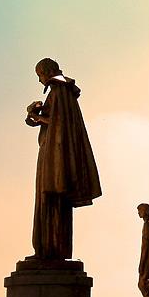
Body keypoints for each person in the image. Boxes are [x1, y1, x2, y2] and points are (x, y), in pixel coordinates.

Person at [24, 58, 102, 260]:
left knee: (50, 200)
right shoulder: (62, 92)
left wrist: (35, 115)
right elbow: (56, 121)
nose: (40, 81)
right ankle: (50, 251)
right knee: (53, 201)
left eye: (40, 76)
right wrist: (36, 117)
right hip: (54, 153)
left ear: (46, 72)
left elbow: (57, 123)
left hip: (54, 157)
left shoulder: (59, 90)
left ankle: (48, 251)